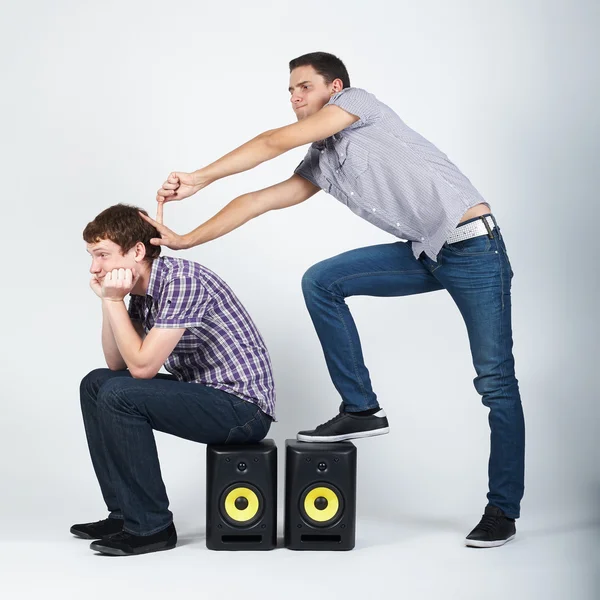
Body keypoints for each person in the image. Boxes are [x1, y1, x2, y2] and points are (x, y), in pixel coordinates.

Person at [143, 52, 524, 548]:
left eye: (304, 87)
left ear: (334, 87)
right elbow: (258, 200)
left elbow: (271, 142)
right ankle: (362, 408)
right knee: (321, 281)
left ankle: (503, 509)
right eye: (290, 91)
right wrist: (186, 239)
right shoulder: (321, 162)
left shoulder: (359, 105)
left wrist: (200, 176)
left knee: (495, 382)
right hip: (426, 253)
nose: (296, 97)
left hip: (474, 248)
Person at [73, 204, 275, 556]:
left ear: (137, 251)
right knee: (96, 383)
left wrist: (114, 300)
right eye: (92, 257)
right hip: (203, 393)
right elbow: (116, 360)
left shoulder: (181, 280)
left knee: (120, 393)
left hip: (242, 409)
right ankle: (124, 514)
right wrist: (110, 302)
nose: (95, 267)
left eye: (102, 255)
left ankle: (152, 527)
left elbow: (142, 369)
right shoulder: (139, 293)